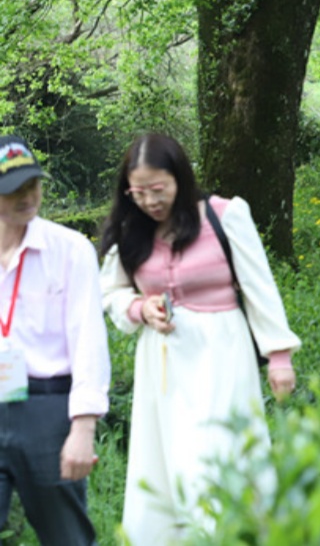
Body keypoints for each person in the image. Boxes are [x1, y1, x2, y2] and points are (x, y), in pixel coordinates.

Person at [99, 133, 300, 543]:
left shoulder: (224, 216)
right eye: (139, 193)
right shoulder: (129, 229)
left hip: (221, 352)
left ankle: (229, 532)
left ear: (180, 178)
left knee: (215, 448)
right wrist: (140, 308)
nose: (150, 202)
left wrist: (279, 357)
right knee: (165, 452)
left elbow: (260, 287)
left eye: (159, 190)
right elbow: (113, 291)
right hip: (162, 360)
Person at [0, 136, 109, 546]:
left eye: (32, 184)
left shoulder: (70, 250)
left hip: (48, 409)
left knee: (67, 538)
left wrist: (83, 428)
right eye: (13, 189)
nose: (27, 196)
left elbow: (88, 341)